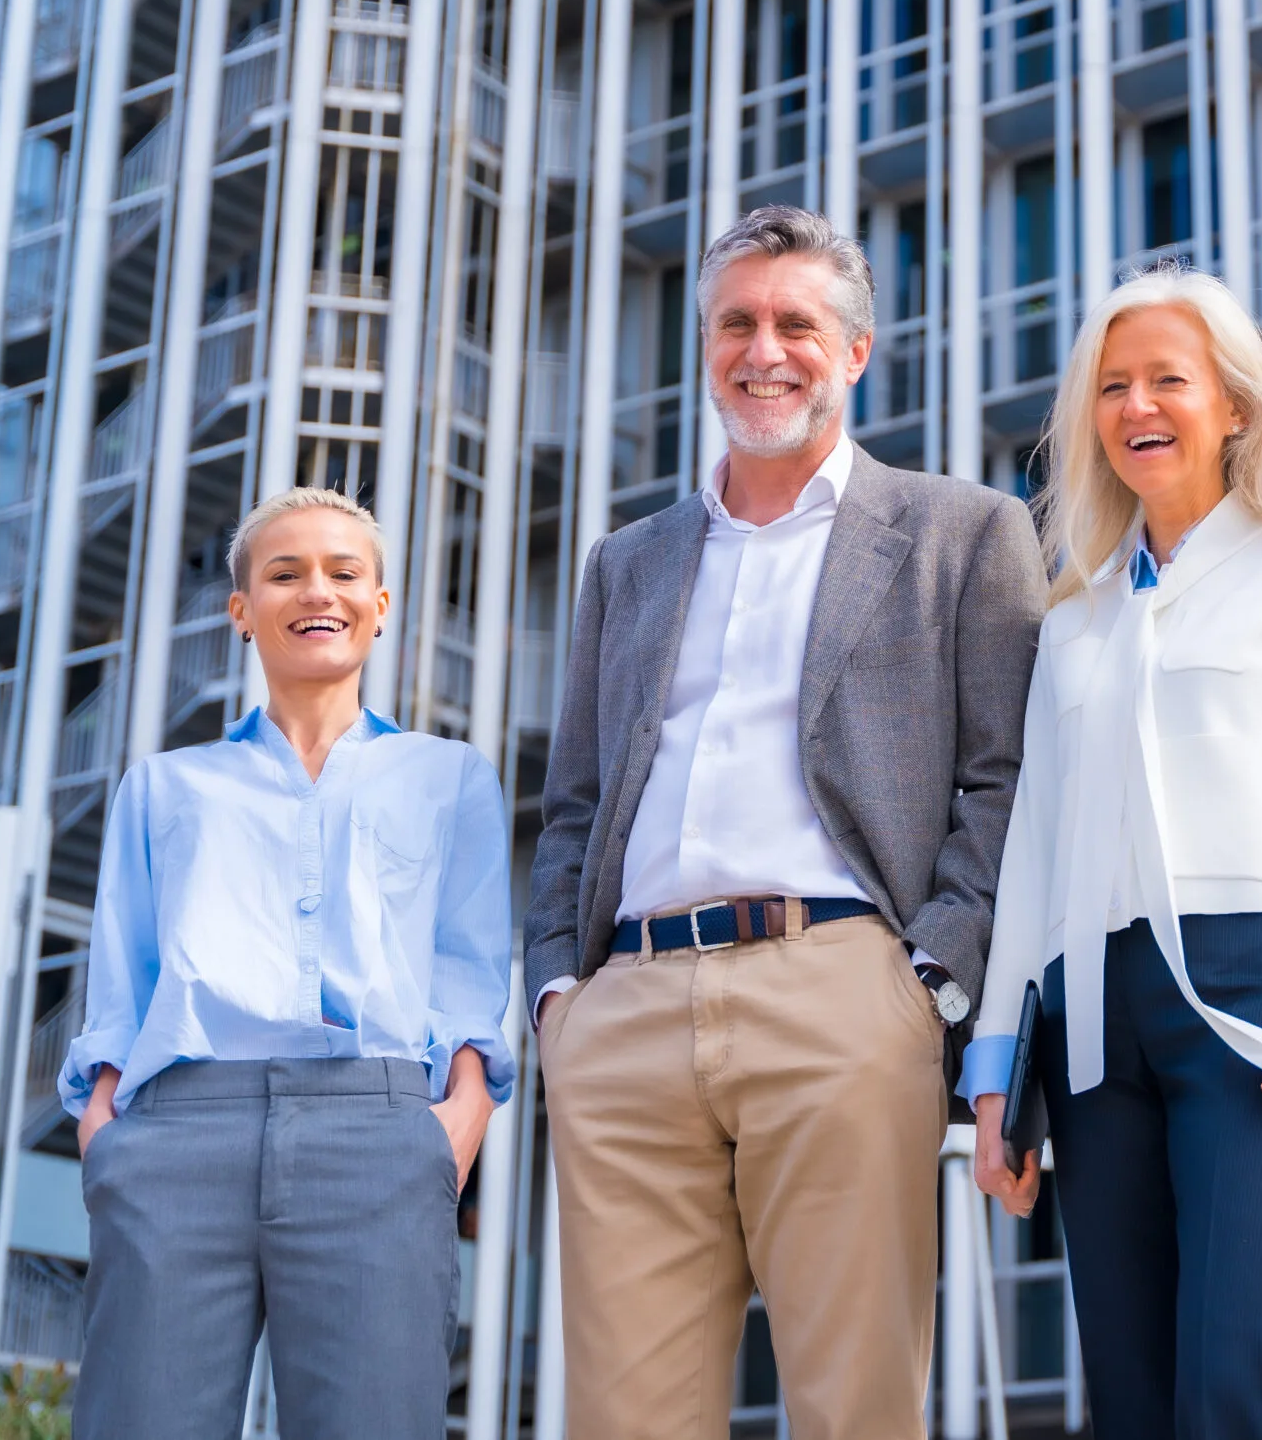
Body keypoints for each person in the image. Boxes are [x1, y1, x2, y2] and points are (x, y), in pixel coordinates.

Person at [526, 204, 1047, 1440]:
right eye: (736, 323)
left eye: (795, 324)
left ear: (855, 351)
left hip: (843, 997)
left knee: (854, 1409)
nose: (764, 349)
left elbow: (1007, 776)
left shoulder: (962, 532)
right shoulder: (628, 563)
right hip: (628, 1017)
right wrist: (559, 996)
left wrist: (927, 981)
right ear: (705, 345)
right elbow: (576, 806)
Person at [967, 263, 1262, 1439]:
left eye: (1167, 380)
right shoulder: (1072, 619)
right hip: (1087, 1025)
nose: (1138, 407)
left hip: (1257, 1000)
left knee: (1247, 1386)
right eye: (1112, 387)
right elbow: (1031, 848)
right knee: (1132, 1398)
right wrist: (991, 1077)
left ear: (1232, 405)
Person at [60, 486, 513, 1440]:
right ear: (241, 611)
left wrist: (457, 1120)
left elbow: (469, 974)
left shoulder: (452, 778)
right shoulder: (164, 787)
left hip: (381, 1134)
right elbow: (120, 984)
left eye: (346, 572)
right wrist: (105, 1129)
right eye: (285, 572)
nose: (320, 590)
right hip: (178, 1133)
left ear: (380, 604)